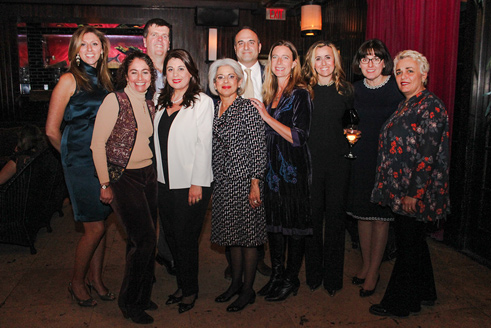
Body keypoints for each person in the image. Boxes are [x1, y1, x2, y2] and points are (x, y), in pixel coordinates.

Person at [369, 50, 450, 317]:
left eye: (410, 71)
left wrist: (414, 195)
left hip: (415, 193)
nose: (403, 76)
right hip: (401, 189)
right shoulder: (408, 103)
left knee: (407, 248)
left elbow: (427, 155)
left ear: (424, 74)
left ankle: (401, 303)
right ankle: (426, 291)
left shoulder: (430, 106)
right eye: (399, 72)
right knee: (415, 243)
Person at [45, 26, 114, 308]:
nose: (89, 48)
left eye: (94, 44)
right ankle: (76, 281)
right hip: (79, 163)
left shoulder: (106, 81)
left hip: (102, 162)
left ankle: (95, 280)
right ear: (75, 50)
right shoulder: (68, 80)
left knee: (101, 224)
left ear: (102, 49)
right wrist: (70, 159)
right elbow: (51, 130)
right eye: (83, 44)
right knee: (94, 228)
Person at [91, 52, 158, 324]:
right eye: (134, 72)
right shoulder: (114, 100)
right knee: (142, 240)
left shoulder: (150, 104)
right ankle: (129, 302)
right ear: (126, 75)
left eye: (145, 72)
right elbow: (97, 145)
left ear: (152, 76)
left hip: (148, 175)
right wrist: (105, 183)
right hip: (123, 177)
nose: (140, 78)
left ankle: (141, 296)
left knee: (148, 239)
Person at [250, 40, 313, 301]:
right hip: (270, 171)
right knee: (274, 225)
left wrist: (266, 117)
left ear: (294, 62)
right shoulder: (270, 92)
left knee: (293, 226)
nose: (279, 62)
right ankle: (277, 275)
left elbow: (299, 137)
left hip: (292, 170)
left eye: (285, 57)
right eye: (275, 57)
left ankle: (291, 279)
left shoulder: (300, 93)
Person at [153, 49, 214, 314]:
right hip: (164, 181)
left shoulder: (202, 101)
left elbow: (204, 144)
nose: (176, 74)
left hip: (191, 184)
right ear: (164, 74)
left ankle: (190, 291)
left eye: (181, 68)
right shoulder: (159, 99)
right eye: (170, 69)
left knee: (187, 239)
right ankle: (182, 284)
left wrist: (197, 182)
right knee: (172, 238)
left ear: (191, 71)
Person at [209, 58, 267, 312]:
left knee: (248, 239)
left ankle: (247, 290)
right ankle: (234, 283)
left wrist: (255, 183)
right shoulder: (211, 109)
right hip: (221, 182)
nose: (225, 81)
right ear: (213, 83)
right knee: (231, 238)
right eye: (220, 77)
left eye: (230, 76)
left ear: (240, 82)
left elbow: (259, 148)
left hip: (245, 182)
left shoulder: (248, 109)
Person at [348, 39, 404, 297]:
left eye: (375, 58)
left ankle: (374, 271)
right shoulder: (354, 89)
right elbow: (347, 121)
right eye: (365, 59)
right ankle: (365, 265)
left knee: (381, 218)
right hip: (360, 156)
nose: (370, 63)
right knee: (362, 214)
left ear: (384, 62)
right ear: (359, 64)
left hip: (386, 161)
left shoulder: (396, 88)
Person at [300, 41, 353, 296]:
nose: (323, 63)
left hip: (338, 164)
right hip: (310, 164)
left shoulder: (347, 91)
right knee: (311, 221)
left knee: (335, 222)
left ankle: (333, 279)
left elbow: (353, 126)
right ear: (311, 63)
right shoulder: (304, 92)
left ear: (335, 62)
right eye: (318, 58)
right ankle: (313, 275)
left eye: (328, 58)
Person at [220, 26, 271, 278]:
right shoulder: (223, 78)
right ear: (235, 48)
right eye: (241, 43)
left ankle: (257, 259)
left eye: (252, 42)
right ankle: (236, 264)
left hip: (270, 152)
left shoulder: (272, 73)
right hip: (233, 164)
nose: (246, 47)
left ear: (260, 47)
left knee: (259, 211)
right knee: (232, 214)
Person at [142, 18, 176, 275]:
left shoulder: (177, 72)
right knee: (144, 210)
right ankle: (143, 264)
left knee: (169, 204)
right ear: (145, 41)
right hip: (142, 152)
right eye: (155, 35)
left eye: (164, 36)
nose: (160, 40)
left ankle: (166, 253)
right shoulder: (135, 72)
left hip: (171, 150)